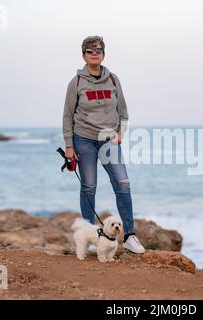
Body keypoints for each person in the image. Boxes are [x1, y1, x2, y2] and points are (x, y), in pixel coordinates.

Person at [62, 36, 145, 254]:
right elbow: (67, 116)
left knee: (123, 184)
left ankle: (129, 236)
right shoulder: (76, 83)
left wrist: (121, 133)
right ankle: (88, 236)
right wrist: (69, 146)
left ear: (103, 54)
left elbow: (124, 112)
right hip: (84, 139)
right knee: (89, 186)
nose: (94, 54)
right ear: (84, 55)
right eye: (90, 51)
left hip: (109, 140)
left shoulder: (114, 80)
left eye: (98, 50)